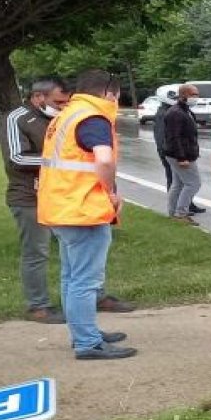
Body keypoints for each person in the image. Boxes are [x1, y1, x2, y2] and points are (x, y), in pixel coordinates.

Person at [37, 70, 136, 360]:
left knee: (71, 276)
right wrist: (110, 192)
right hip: (82, 209)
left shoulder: (66, 115)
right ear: (108, 94)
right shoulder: (94, 118)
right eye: (117, 96)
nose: (117, 102)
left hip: (60, 205)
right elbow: (103, 159)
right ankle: (87, 342)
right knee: (85, 280)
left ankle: (83, 331)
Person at [0, 77, 70, 323]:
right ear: (39, 97)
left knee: (75, 247)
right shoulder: (16, 118)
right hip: (29, 196)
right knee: (36, 252)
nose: (62, 106)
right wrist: (61, 164)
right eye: (58, 101)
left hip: (62, 194)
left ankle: (87, 296)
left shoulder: (61, 116)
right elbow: (17, 158)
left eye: (66, 101)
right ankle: (38, 306)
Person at [163, 84, 202, 224]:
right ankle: (181, 213)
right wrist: (182, 157)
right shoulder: (176, 113)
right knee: (193, 183)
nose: (196, 97)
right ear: (184, 95)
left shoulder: (185, 110)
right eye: (193, 94)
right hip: (179, 155)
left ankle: (173, 213)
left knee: (178, 184)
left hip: (181, 153)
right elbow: (175, 137)